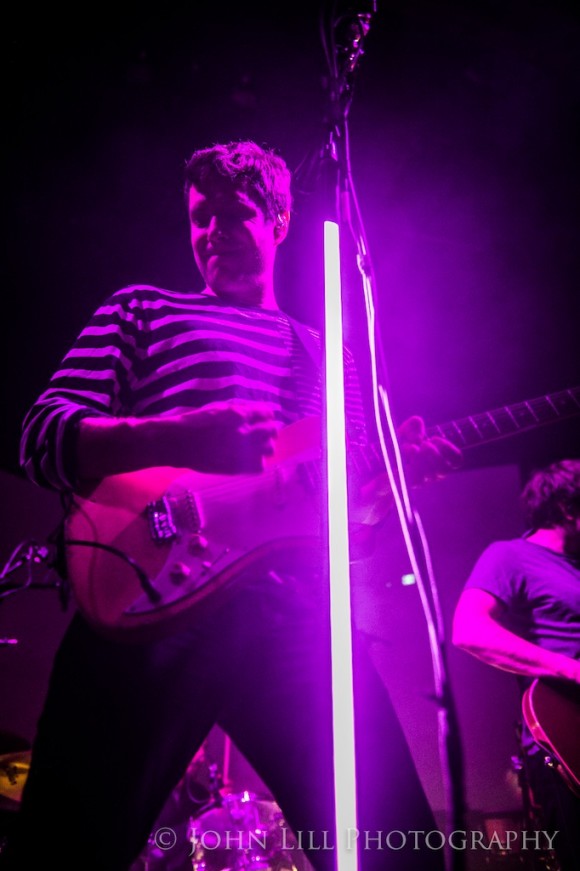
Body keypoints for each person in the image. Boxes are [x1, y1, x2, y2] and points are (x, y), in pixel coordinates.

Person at [1, 140, 461, 871]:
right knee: (63, 847)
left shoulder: (324, 356)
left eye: (234, 213)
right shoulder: (141, 308)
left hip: (293, 615)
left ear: (279, 219)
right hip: (145, 603)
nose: (212, 230)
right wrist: (183, 433)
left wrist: (384, 489)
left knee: (393, 845)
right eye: (199, 216)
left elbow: (335, 529)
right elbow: (42, 434)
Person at [452, 458, 580, 871]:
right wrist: (570, 669)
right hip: (567, 741)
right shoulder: (510, 556)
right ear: (565, 506)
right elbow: (469, 630)